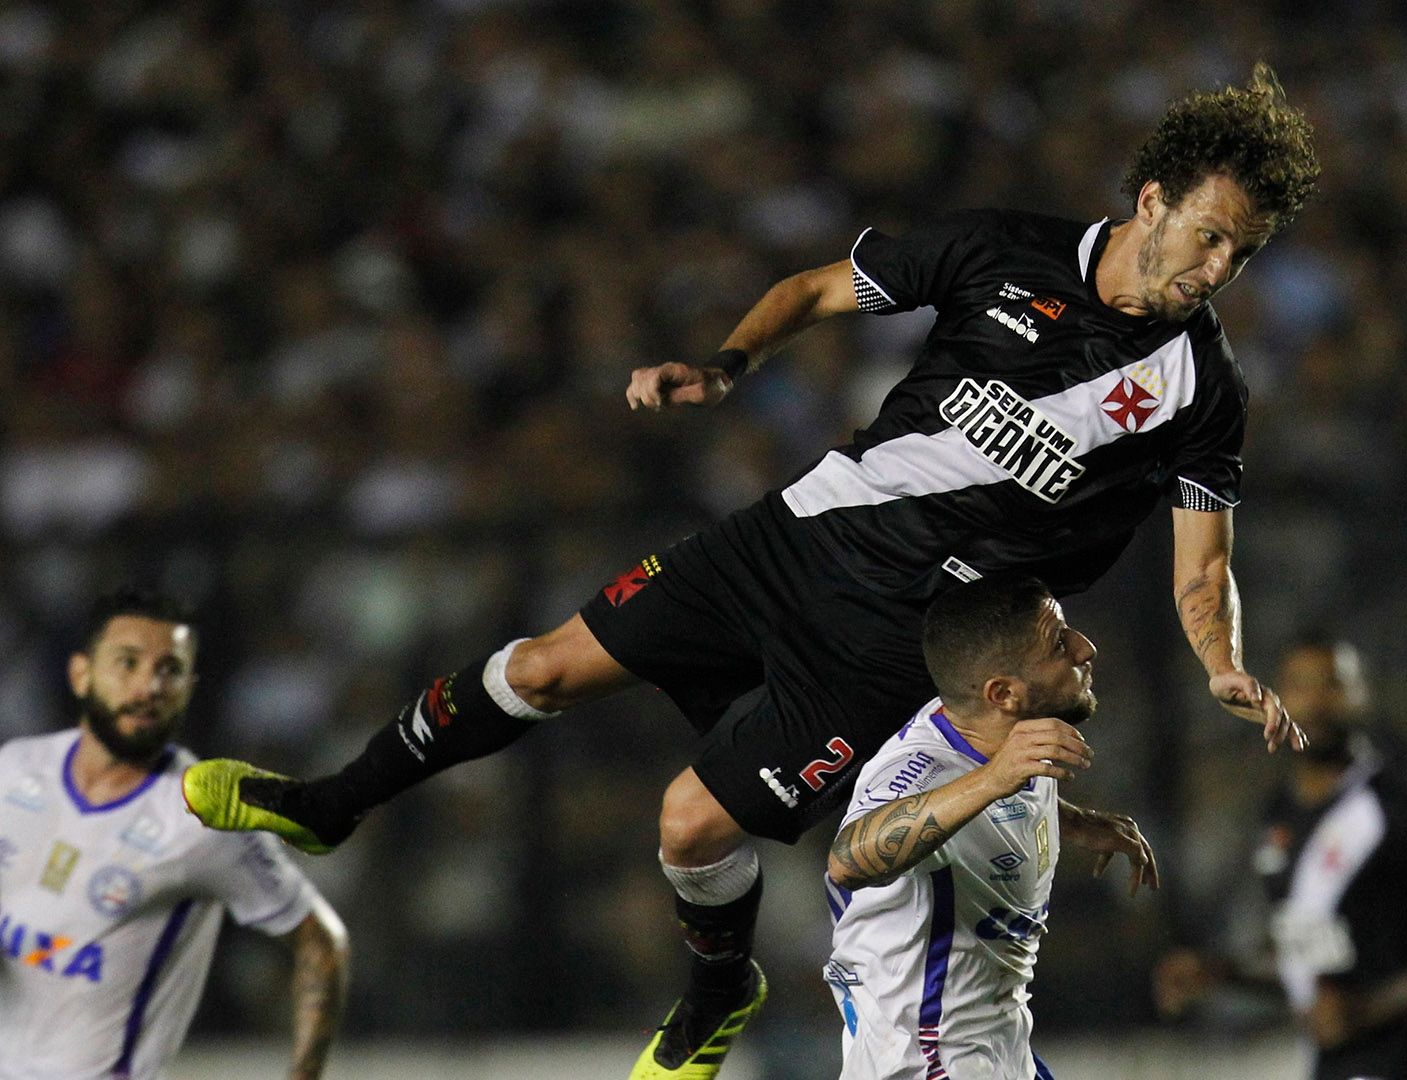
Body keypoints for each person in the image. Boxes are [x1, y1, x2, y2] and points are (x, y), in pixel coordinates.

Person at [183, 63, 1316, 1078]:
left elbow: (1202, 563)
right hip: (790, 534)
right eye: (1210, 236)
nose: (1217, 269)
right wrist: (725, 364)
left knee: (687, 829)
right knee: (542, 667)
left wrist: (1222, 661)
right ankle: (331, 804)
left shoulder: (1201, 390)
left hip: (897, 637)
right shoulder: (1002, 248)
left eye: (1243, 254)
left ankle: (721, 987)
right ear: (1152, 199)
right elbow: (821, 289)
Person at [0, 587, 348, 1080]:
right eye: (128, 663)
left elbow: (320, 941)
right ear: (81, 674)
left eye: (170, 669)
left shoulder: (202, 820)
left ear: (189, 686)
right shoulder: (15, 771)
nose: (150, 687)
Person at [823, 574, 1156, 1080]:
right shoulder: (921, 768)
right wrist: (993, 780)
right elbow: (849, 858)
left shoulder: (998, 733)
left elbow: (984, 796)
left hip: (1001, 1046)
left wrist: (1075, 822)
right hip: (925, 1061)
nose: (1085, 648)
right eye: (1058, 643)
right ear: (1002, 693)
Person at [1153, 636, 1407, 1080]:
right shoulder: (1278, 814)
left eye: (1332, 684)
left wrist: (1373, 1006)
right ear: (1273, 697)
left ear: (1362, 695)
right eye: (1299, 685)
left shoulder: (1392, 807)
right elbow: (1310, 949)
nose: (1315, 702)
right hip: (1337, 1064)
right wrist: (1220, 971)